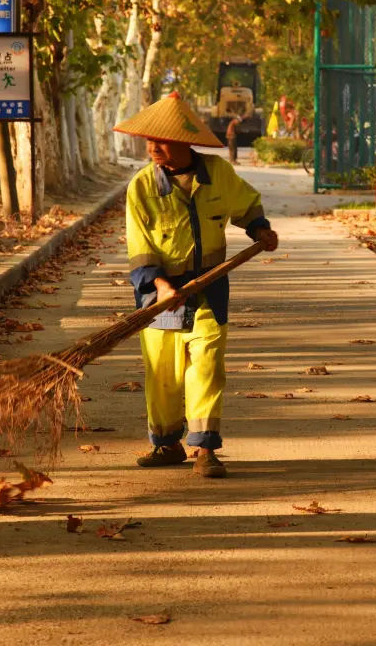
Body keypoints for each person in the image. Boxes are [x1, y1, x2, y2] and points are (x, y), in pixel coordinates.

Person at [113, 92, 279, 478]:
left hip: (208, 288)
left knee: (206, 367)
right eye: (149, 142)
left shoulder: (217, 174)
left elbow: (246, 205)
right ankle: (166, 444)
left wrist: (260, 229)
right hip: (161, 295)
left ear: (184, 142)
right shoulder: (141, 187)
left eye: (162, 142)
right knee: (163, 373)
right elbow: (139, 246)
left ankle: (203, 449)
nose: (153, 149)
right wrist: (159, 285)